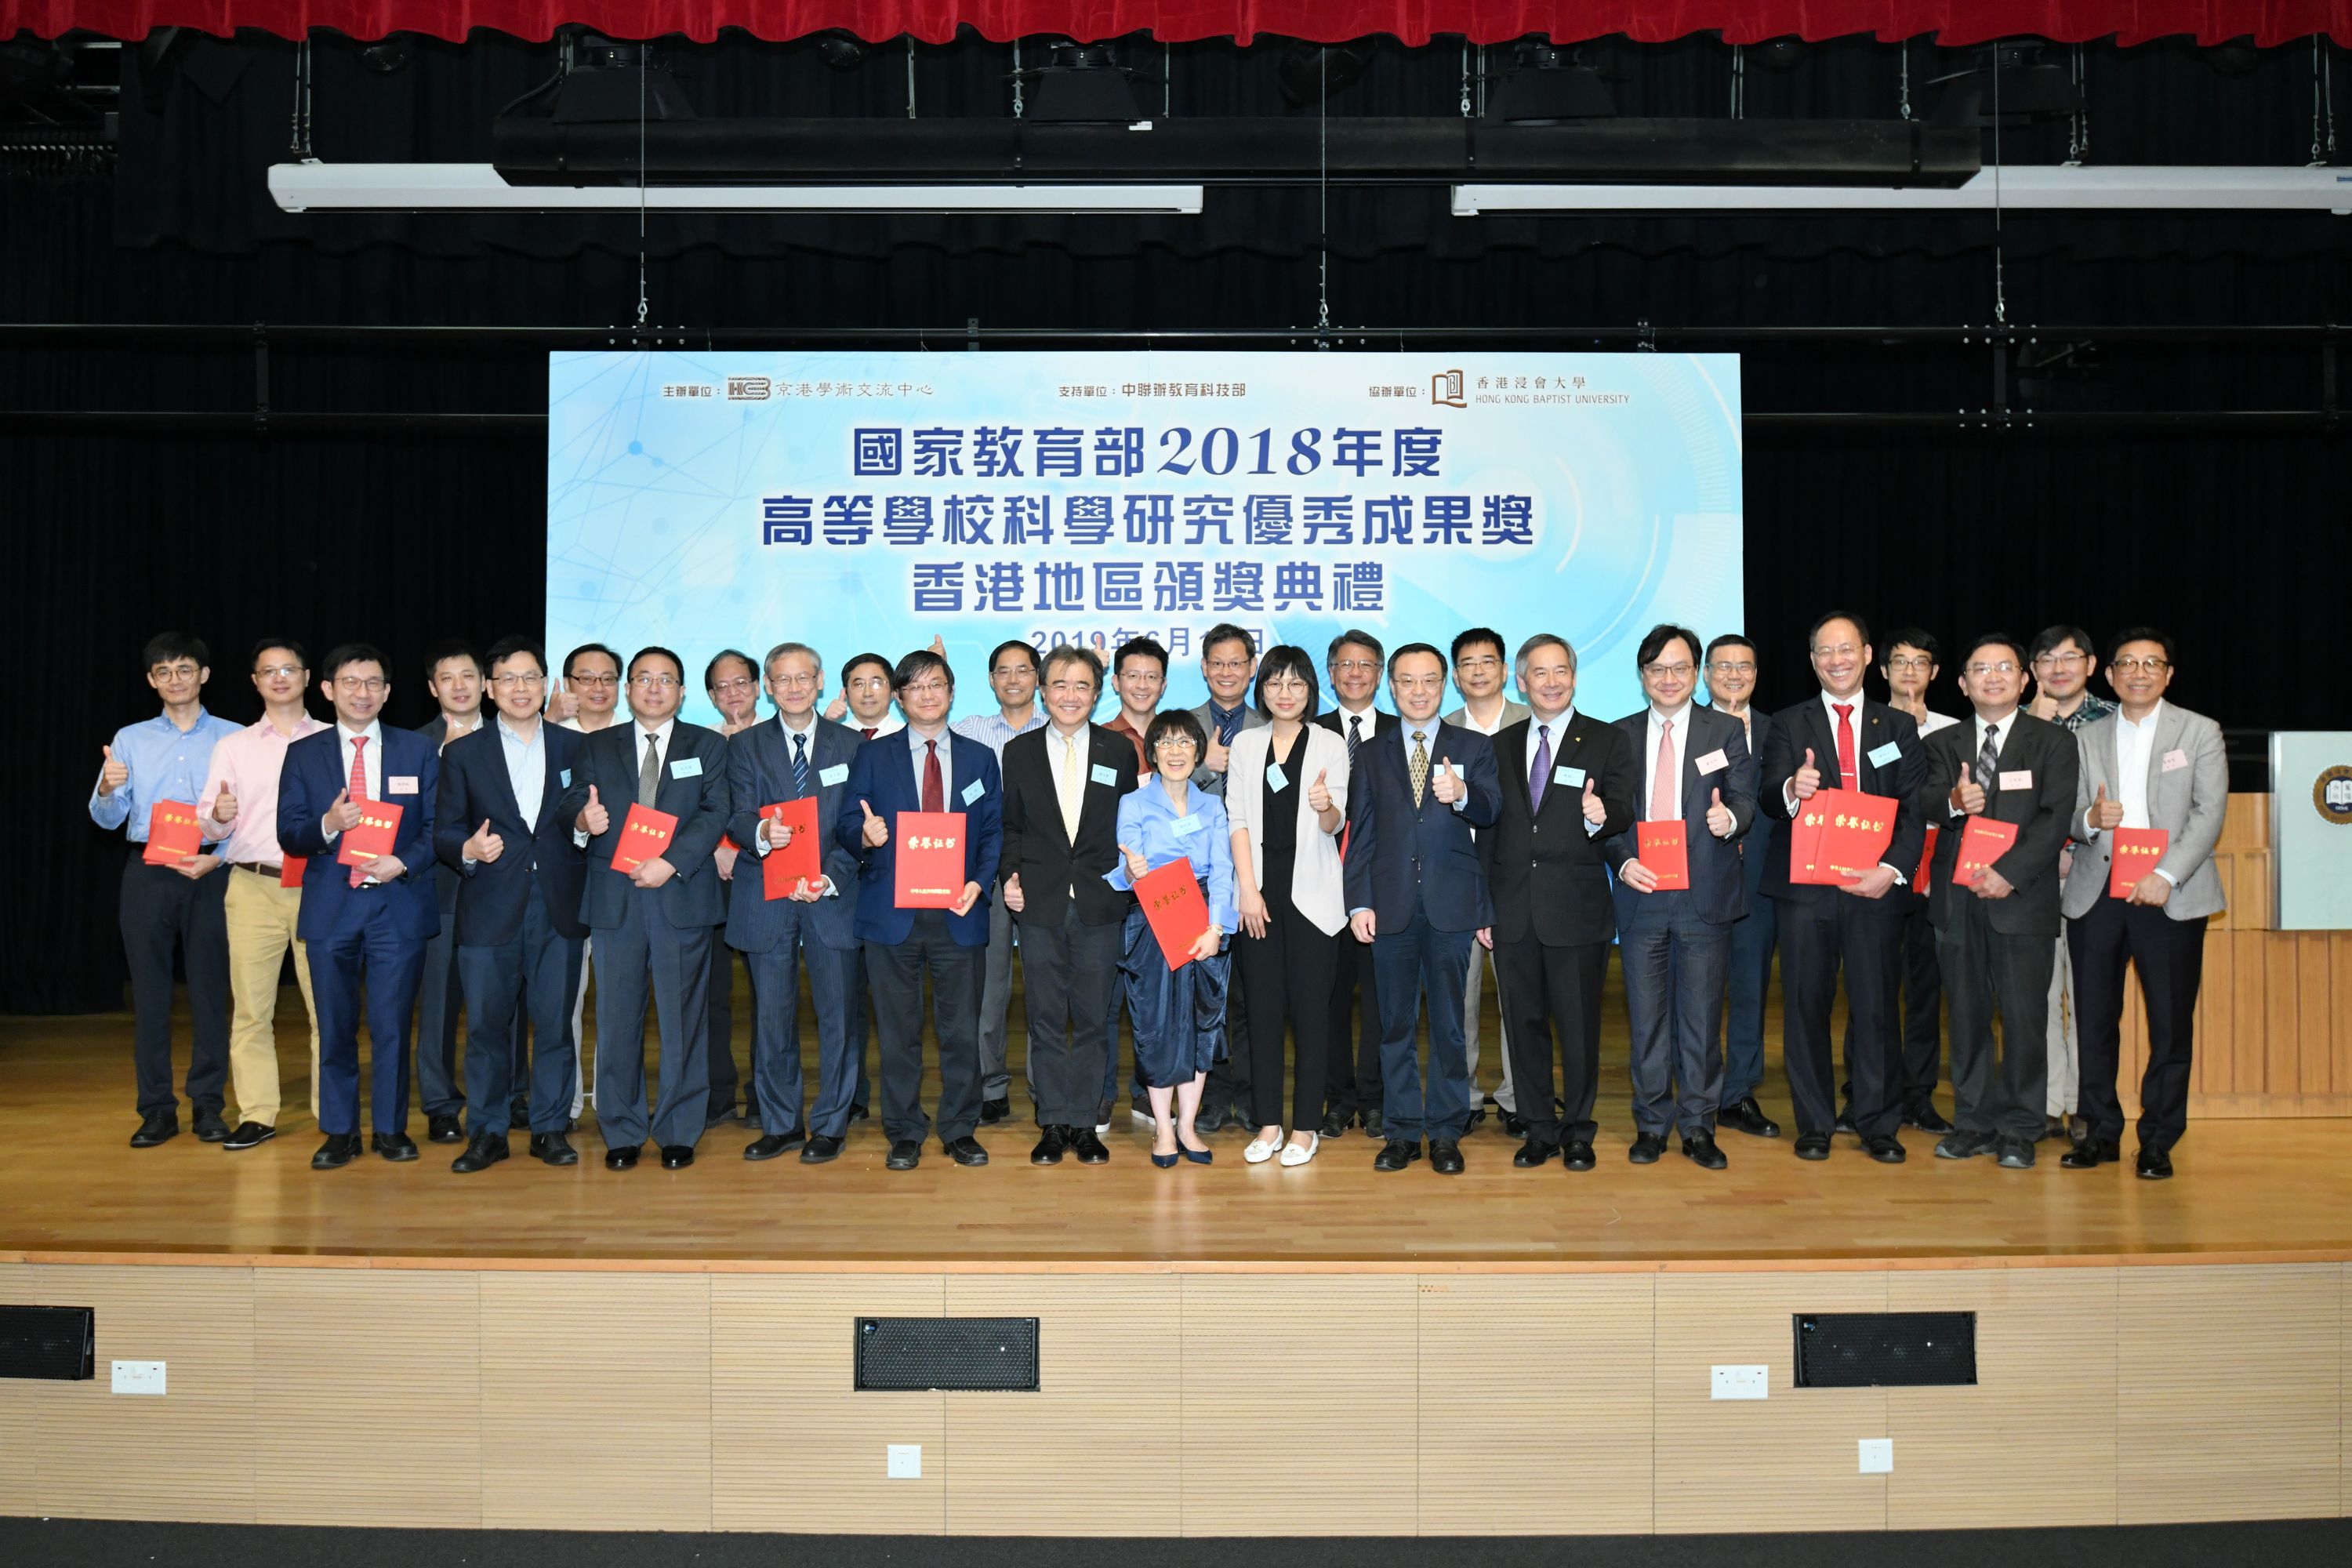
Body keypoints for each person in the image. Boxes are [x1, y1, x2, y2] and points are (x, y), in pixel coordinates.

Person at [1758, 612, 1927, 1164]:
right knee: (1806, 1007)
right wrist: (1792, 786)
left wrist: (1893, 870)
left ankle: (1879, 1123)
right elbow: (1768, 796)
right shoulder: (1788, 723)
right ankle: (1814, 1123)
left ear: (1868, 654)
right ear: (1812, 662)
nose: (1837, 660)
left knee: (1877, 1009)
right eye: (1825, 652)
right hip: (1807, 890)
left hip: (1874, 888)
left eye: (1846, 650)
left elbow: (1913, 806)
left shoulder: (1896, 726)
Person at [556, 645, 731, 1171]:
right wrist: (583, 823)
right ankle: (623, 1129)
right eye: (644, 679)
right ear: (628, 690)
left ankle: (679, 1128)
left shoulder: (707, 745)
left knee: (685, 1022)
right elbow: (571, 804)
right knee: (616, 1019)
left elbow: (715, 810)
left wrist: (671, 862)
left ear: (681, 692)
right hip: (616, 898)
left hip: (680, 894)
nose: (654, 688)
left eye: (666, 680)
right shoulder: (596, 745)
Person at [2060, 629, 2226, 1181]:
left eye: (2152, 662)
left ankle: (2158, 1140)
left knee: (2171, 1025)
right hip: (2097, 894)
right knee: (2094, 1021)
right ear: (2108, 675)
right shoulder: (2086, 737)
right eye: (2127, 663)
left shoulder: (2199, 731)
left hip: (2169, 897)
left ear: (2168, 674)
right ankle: (2099, 1132)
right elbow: (2069, 812)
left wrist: (2166, 874)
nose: (2139, 671)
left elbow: (2208, 814)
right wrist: (2088, 821)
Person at [833, 647, 1003, 1171]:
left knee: (960, 1032)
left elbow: (993, 831)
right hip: (892, 915)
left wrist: (979, 882)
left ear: (952, 694)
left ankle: (958, 1127)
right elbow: (844, 821)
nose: (927, 695)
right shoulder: (874, 755)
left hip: (959, 911)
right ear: (901, 698)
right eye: (916, 687)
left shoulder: (979, 758)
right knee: (899, 1031)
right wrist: (864, 834)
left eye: (937, 685)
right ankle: (904, 1130)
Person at [1915, 634, 2079, 1171]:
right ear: (1962, 683)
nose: (1993, 677)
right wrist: (1953, 801)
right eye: (1980, 669)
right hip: (1957, 901)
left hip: (2021, 900)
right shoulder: (1944, 742)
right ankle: (1973, 1122)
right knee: (1965, 1018)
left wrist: (2008, 874)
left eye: (2004, 668)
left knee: (2025, 1018)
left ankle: (2021, 1127)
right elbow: (1922, 800)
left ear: (2024, 679)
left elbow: (2054, 819)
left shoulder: (2052, 742)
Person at [278, 643, 441, 1169]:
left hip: (397, 905)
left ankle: (391, 1129)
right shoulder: (304, 754)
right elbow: (290, 833)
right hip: (333, 907)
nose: (362, 692)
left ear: (388, 692)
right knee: (336, 1024)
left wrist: (404, 862)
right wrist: (329, 825)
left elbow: (438, 829)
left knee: (393, 1024)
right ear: (327, 690)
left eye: (373, 683)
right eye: (351, 683)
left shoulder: (417, 751)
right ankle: (340, 1130)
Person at [1344, 642, 1501, 1174]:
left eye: (1429, 680)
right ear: (1391, 686)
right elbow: (1360, 835)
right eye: (1407, 681)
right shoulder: (1370, 752)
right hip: (1387, 908)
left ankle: (1448, 1132)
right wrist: (1358, 900)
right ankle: (1403, 1131)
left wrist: (1461, 792)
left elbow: (1491, 808)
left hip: (1452, 907)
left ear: (1445, 685)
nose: (1418, 691)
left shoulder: (1474, 746)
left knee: (1453, 1027)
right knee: (1394, 1025)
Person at [1602, 624, 1756, 1170]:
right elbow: (1610, 814)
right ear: (1642, 677)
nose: (1668, 679)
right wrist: (1621, 858)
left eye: (1679, 668)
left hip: (1703, 895)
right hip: (1643, 893)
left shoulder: (1725, 730)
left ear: (1697, 673)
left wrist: (1730, 818)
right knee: (1646, 1020)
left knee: (1700, 1019)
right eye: (1656, 669)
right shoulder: (1617, 735)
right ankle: (1651, 1125)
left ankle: (1698, 1126)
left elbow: (1744, 796)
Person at [433, 637, 589, 1172]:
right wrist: (467, 850)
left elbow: (581, 820)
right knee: (485, 1029)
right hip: (489, 908)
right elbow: (444, 831)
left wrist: (587, 830)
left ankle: (549, 1128)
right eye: (509, 679)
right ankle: (488, 1131)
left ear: (546, 685)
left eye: (531, 678)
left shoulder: (575, 748)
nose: (521, 689)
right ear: (490, 688)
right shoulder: (463, 753)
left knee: (554, 1024)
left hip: (558, 908)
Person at [1480, 634, 1635, 1171]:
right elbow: (1492, 831)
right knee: (1523, 1026)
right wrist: (1485, 907)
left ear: (1574, 676)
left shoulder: (1607, 741)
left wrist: (1600, 813)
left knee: (1578, 1028)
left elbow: (1623, 808)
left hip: (1576, 909)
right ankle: (1538, 1128)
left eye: (1560, 671)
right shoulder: (1501, 745)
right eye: (1539, 673)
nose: (1551, 682)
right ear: (1521, 681)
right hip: (1514, 909)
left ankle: (1578, 1131)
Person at [92, 633, 243, 1148]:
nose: (174, 679)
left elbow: (255, 817)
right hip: (149, 871)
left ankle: (208, 1105)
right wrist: (109, 788)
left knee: (209, 992)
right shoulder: (130, 738)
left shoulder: (234, 737)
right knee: (151, 998)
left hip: (213, 868)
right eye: (163, 672)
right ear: (151, 680)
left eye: (184, 669)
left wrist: (218, 856)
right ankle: (156, 1109)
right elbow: (107, 818)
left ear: (204, 674)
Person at [725, 642, 866, 1163]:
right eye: (781, 679)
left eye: (802, 677)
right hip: (767, 895)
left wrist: (830, 876)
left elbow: (857, 827)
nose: (793, 687)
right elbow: (736, 814)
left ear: (820, 680)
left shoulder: (852, 745)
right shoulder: (745, 746)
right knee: (772, 1018)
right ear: (767, 686)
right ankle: (781, 1122)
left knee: (839, 1018)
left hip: (831, 898)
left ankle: (830, 1124)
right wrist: (762, 830)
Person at [1000, 647, 1138, 1165]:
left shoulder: (1118, 751)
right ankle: (1052, 1122)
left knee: (1094, 1017)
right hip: (1039, 902)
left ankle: (1086, 1123)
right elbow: (1010, 827)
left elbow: (1129, 827)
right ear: (1043, 690)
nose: (1070, 696)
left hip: (1101, 902)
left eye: (1082, 686)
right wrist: (1008, 876)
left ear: (1097, 693)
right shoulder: (1019, 752)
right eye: (1060, 684)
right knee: (1045, 1017)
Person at [196, 639, 328, 1150]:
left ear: (307, 676)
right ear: (255, 682)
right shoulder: (234, 746)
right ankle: (257, 1112)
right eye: (267, 671)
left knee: (327, 1007)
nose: (278, 678)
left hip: (318, 884)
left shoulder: (334, 738)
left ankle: (330, 1112)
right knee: (251, 1009)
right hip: (252, 884)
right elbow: (208, 819)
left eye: (288, 669)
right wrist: (218, 818)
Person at [1226, 648, 1349, 1166]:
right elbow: (1237, 820)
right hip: (1260, 891)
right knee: (1264, 1011)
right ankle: (1269, 1123)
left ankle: (1305, 1128)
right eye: (1275, 683)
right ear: (1263, 690)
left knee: (1311, 1015)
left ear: (1310, 691)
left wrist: (1325, 807)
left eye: (1296, 684)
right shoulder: (1247, 744)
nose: (1284, 692)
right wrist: (1247, 892)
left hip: (1314, 895)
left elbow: (1336, 823)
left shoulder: (1329, 743)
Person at [1842, 630, 1962, 1135]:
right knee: (1868, 988)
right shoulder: (1865, 725)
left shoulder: (1955, 731)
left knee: (1923, 988)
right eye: (1899, 662)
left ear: (1935, 672)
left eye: (1921, 663)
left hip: (1934, 876)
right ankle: (1863, 1091)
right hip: (1875, 871)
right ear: (1881, 669)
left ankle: (1917, 1093)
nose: (1909, 671)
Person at [1105, 710, 1236, 1167]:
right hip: (1154, 917)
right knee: (1157, 1027)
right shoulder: (1134, 803)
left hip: (1203, 920)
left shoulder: (1213, 805)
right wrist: (1130, 871)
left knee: (1202, 1026)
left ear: (1198, 752)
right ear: (1153, 751)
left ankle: (1187, 1125)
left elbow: (1224, 870)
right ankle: (1162, 1129)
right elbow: (1127, 866)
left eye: (1185, 743)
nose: (1176, 751)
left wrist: (1217, 928)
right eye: (1166, 743)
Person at [2027, 624, 2118, 1145]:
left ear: (2090, 663)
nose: (2058, 668)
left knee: (2089, 996)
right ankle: (2044, 1103)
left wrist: (2073, 851)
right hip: (2033, 880)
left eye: (2069, 658)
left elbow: (2119, 803)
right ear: (2033, 670)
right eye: (2046, 659)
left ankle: (2087, 1102)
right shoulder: (2016, 722)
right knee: (2037, 994)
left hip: (2093, 877)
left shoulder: (2112, 720)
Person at [952, 640, 1044, 1125]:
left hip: (1042, 874)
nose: (1013, 679)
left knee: (1044, 986)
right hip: (984, 874)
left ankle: (1041, 1082)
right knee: (989, 989)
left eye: (1023, 670)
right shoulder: (969, 730)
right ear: (990, 680)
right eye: (1003, 671)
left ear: (1038, 678)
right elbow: (923, 746)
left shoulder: (1057, 730)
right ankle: (990, 1085)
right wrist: (936, 674)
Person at [1443, 626, 1530, 1132]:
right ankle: (1466, 1097)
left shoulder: (1532, 722)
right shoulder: (1439, 728)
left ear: (1505, 671)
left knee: (1518, 995)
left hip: (1517, 881)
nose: (1478, 670)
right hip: (1456, 882)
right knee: (1460, 998)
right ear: (1456, 675)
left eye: (1488, 661)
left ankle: (1519, 1098)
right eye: (1468, 663)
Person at [1318, 627, 1399, 1139]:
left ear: (1380, 674)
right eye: (1345, 664)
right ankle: (1336, 1096)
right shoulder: (1307, 730)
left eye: (1365, 664)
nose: (1354, 673)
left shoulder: (1402, 731)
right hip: (1320, 886)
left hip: (1383, 888)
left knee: (1380, 998)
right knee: (1326, 996)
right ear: (1331, 673)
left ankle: (1374, 1096)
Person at [1188, 623, 1266, 1133]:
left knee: (1253, 994)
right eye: (1217, 663)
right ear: (1203, 668)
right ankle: (1212, 1096)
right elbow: (1160, 804)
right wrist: (1202, 766)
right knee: (1203, 994)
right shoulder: (1182, 726)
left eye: (1237, 663)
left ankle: (1253, 1093)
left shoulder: (1275, 722)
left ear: (1253, 668)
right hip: (1194, 883)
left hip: (1256, 881)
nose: (1227, 672)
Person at [1704, 633, 1780, 1139]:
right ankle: (1696, 1088)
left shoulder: (1783, 732)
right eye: (1724, 666)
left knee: (1750, 991)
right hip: (1698, 882)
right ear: (1706, 673)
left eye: (1745, 668)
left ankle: (1738, 1093)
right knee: (1695, 993)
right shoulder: (1684, 727)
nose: (1735, 675)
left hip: (1759, 883)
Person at [415, 641, 487, 1146]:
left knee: (504, 1003)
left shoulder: (518, 735)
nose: (459, 687)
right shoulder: (414, 745)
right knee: (438, 1004)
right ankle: (440, 1104)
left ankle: (506, 1097)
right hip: (439, 888)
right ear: (433, 688)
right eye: (448, 678)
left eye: (468, 676)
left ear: (485, 683)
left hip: (506, 891)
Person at [551, 641, 626, 1123]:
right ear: (568, 685)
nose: (597, 688)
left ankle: (613, 1101)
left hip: (625, 886)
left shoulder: (635, 737)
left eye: (607, 678)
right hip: (563, 887)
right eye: (586, 678)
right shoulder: (551, 737)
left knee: (620, 1002)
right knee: (565, 1002)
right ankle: (567, 1100)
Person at [830, 648, 904, 1120]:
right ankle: (854, 1093)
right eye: (857, 683)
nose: (868, 691)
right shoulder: (831, 743)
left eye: (877, 681)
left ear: (894, 691)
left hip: (895, 886)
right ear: (845, 692)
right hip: (837, 882)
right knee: (847, 996)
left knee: (897, 1000)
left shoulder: (911, 739)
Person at [702, 648, 764, 1128]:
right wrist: (716, 848)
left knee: (770, 994)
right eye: (723, 687)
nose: (733, 693)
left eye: (741, 682)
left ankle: (764, 1095)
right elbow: (690, 813)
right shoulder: (699, 746)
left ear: (758, 687)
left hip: (766, 879)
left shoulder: (775, 741)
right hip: (712, 883)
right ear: (709, 696)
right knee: (710, 993)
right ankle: (715, 1093)